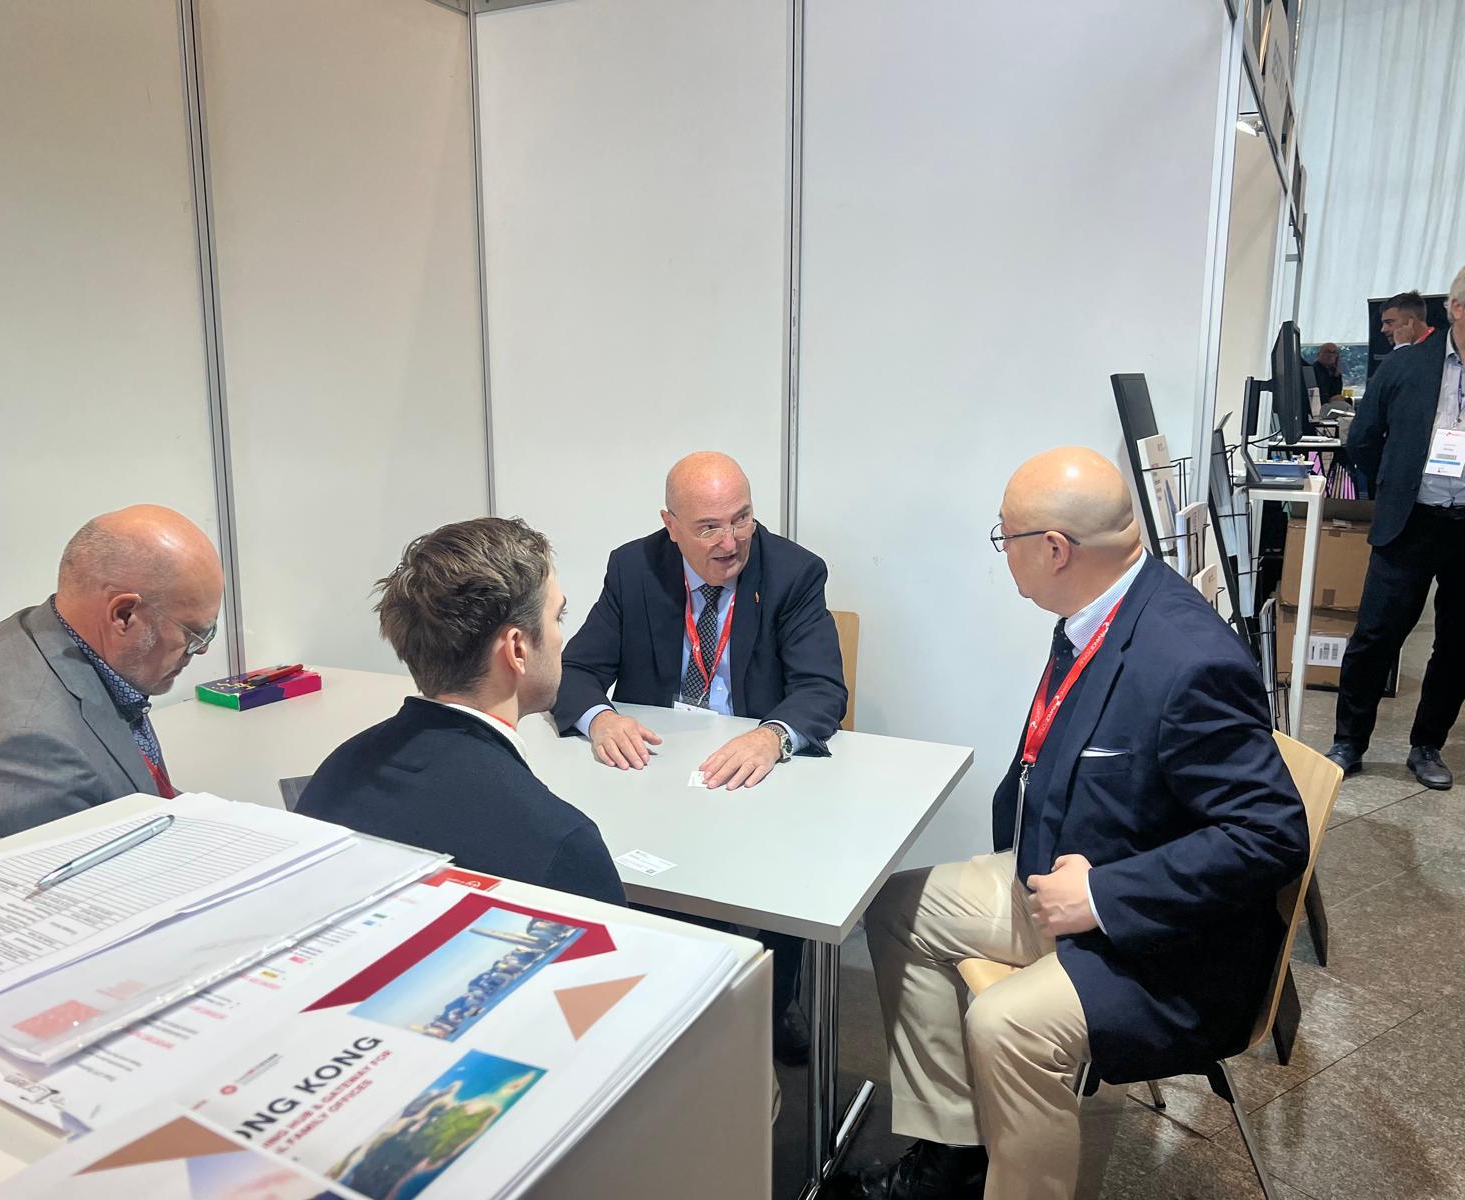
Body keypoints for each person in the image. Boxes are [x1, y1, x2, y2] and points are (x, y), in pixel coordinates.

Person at [833, 448, 1307, 1200]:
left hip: (1169, 943)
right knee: (895, 909)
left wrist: (1107, 895)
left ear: (1054, 550)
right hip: (1064, 878)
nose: (1003, 550)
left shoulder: (1184, 659)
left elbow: (1272, 836)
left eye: (1006, 536)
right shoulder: (1097, 613)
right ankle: (953, 1153)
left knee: (1004, 1024)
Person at [551, 449, 848, 1061]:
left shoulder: (793, 573)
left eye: (742, 519)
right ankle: (667, 1007)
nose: (730, 542)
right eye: (708, 527)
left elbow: (822, 689)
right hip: (658, 769)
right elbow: (576, 669)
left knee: (778, 865)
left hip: (752, 771)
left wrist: (771, 735)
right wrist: (599, 716)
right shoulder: (633, 568)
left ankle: (770, 1007)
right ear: (671, 525)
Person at [298, 517, 625, 905]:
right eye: (558, 618)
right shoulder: (559, 843)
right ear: (517, 649)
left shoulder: (335, 775)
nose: (560, 638)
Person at [0, 505, 224, 862]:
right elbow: (39, 907)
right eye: (193, 634)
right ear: (123, 615)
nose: (199, 651)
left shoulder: (33, 633)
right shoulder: (33, 749)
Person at [1329, 265, 1465, 790]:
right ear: (1456, 309)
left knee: (1457, 644)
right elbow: (1362, 439)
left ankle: (1427, 745)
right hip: (1410, 523)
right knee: (1376, 635)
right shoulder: (1406, 366)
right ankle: (1349, 740)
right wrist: (1393, 484)